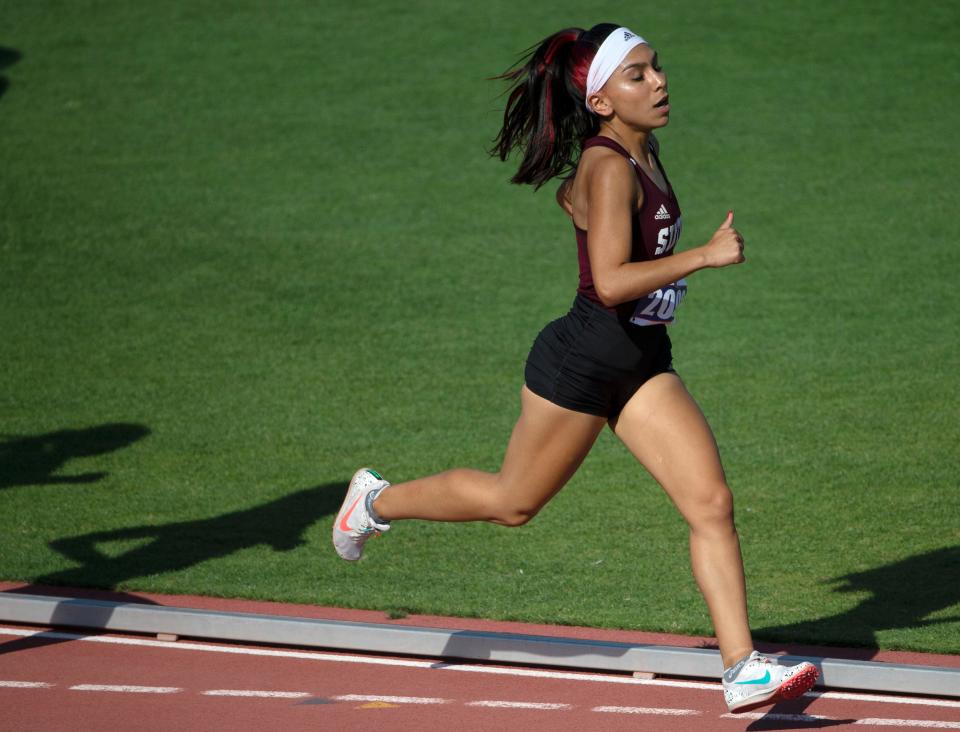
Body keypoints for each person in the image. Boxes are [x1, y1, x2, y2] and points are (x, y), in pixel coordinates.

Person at [333, 23, 818, 714]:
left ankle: (741, 667)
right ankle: (374, 502)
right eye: (638, 75)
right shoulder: (611, 164)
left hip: (643, 363)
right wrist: (703, 256)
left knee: (711, 503)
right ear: (600, 101)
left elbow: (580, 207)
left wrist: (585, 211)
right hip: (583, 364)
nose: (658, 82)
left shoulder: (637, 151)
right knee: (513, 503)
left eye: (656, 68)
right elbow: (615, 281)